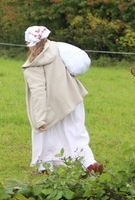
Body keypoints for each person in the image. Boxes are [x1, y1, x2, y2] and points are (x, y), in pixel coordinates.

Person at [21, 26, 103, 174]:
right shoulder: (57, 50)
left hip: (52, 106)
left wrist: (40, 119)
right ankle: (90, 164)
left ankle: (45, 168)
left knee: (43, 134)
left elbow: (38, 93)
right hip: (73, 99)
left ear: (31, 43)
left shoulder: (33, 66)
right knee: (76, 133)